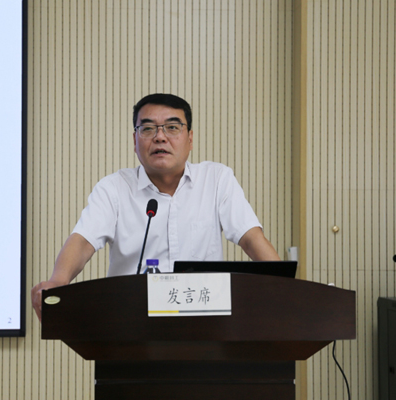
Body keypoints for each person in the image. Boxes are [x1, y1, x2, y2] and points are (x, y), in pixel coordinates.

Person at [31, 94, 280, 320]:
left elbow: (251, 237)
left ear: (190, 138)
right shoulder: (114, 188)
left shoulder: (216, 179)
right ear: (135, 140)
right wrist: (58, 281)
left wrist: (285, 287)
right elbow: (83, 241)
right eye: (148, 128)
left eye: (172, 127)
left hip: (203, 322)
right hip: (131, 322)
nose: (160, 137)